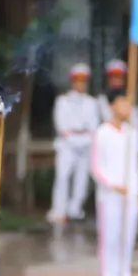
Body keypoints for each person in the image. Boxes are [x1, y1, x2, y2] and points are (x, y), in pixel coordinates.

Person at [93, 90, 138, 276]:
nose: (126, 108)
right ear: (112, 105)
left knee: (128, 238)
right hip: (109, 196)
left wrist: (137, 192)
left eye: (128, 103)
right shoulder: (102, 133)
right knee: (110, 239)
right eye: (122, 103)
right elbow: (96, 167)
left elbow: (135, 165)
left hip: (130, 194)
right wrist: (113, 185)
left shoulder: (131, 133)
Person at [50, 64, 100, 224]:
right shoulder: (62, 101)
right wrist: (74, 138)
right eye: (77, 80)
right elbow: (61, 126)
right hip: (67, 145)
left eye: (83, 81)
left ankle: (75, 209)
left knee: (82, 179)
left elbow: (93, 127)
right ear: (72, 82)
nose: (81, 84)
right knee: (63, 177)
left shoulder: (92, 103)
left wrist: (83, 139)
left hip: (85, 145)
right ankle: (59, 210)